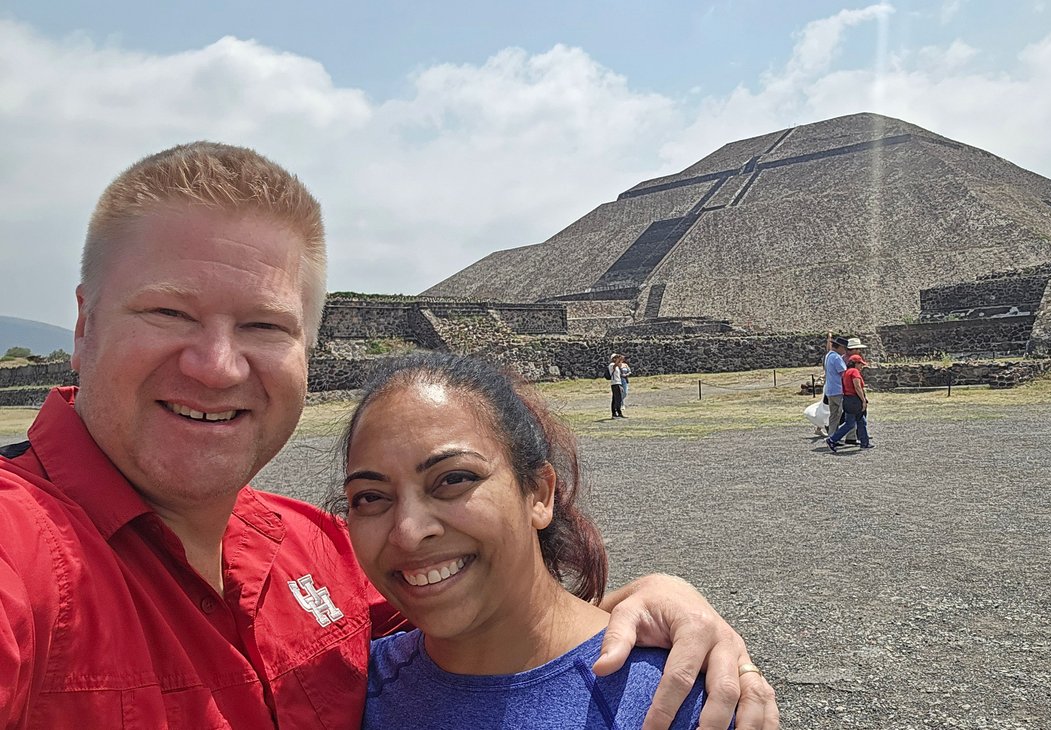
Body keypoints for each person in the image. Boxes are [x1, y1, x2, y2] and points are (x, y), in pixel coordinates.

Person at [0, 142, 778, 729]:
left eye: (266, 325)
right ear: (84, 323)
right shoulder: (22, 552)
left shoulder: (320, 551)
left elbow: (493, 620)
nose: (215, 366)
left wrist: (649, 602)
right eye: (168, 313)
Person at [342, 353, 732, 729]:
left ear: (540, 494)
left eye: (454, 479)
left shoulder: (673, 701)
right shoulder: (335, 693)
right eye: (371, 497)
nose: (409, 533)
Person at [826, 354, 873, 452]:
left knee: (855, 422)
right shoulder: (854, 372)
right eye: (860, 364)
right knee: (855, 422)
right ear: (855, 363)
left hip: (847, 399)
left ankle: (864, 442)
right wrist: (863, 400)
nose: (862, 366)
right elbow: (857, 387)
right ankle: (833, 439)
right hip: (854, 400)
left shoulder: (846, 372)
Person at [822, 334, 849, 438]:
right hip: (838, 389)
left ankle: (832, 435)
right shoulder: (837, 358)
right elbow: (843, 373)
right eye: (844, 348)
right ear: (841, 347)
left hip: (830, 390)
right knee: (843, 414)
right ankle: (840, 436)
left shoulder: (828, 355)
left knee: (833, 415)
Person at [608, 353, 627, 419]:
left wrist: (620, 359)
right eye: (616, 358)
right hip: (615, 383)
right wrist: (618, 359)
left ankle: (618, 413)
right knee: (617, 399)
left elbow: (619, 365)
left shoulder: (617, 366)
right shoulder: (611, 365)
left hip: (618, 383)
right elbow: (615, 365)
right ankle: (615, 413)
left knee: (617, 399)